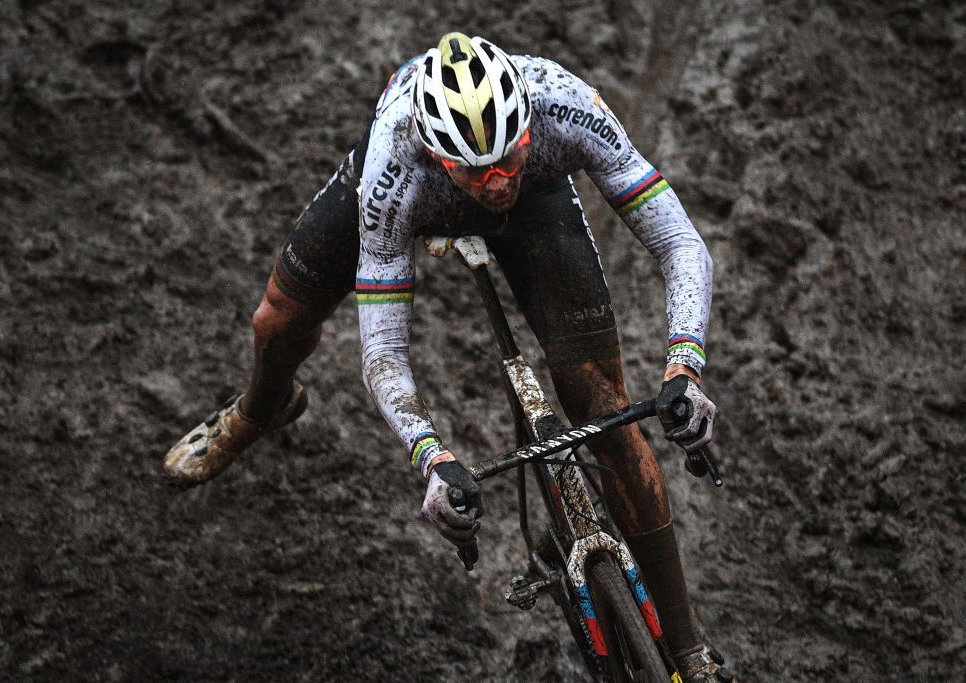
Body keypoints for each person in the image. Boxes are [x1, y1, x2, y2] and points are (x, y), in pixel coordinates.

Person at [163, 32, 729, 682]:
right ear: (436, 150)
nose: (495, 185)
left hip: (541, 200)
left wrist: (685, 363)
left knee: (606, 411)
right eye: (476, 172)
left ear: (526, 127)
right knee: (278, 319)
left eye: (506, 160)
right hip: (417, 195)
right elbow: (381, 351)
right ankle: (261, 407)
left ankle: (690, 651)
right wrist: (429, 455)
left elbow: (679, 241)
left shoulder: (563, 106)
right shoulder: (394, 165)